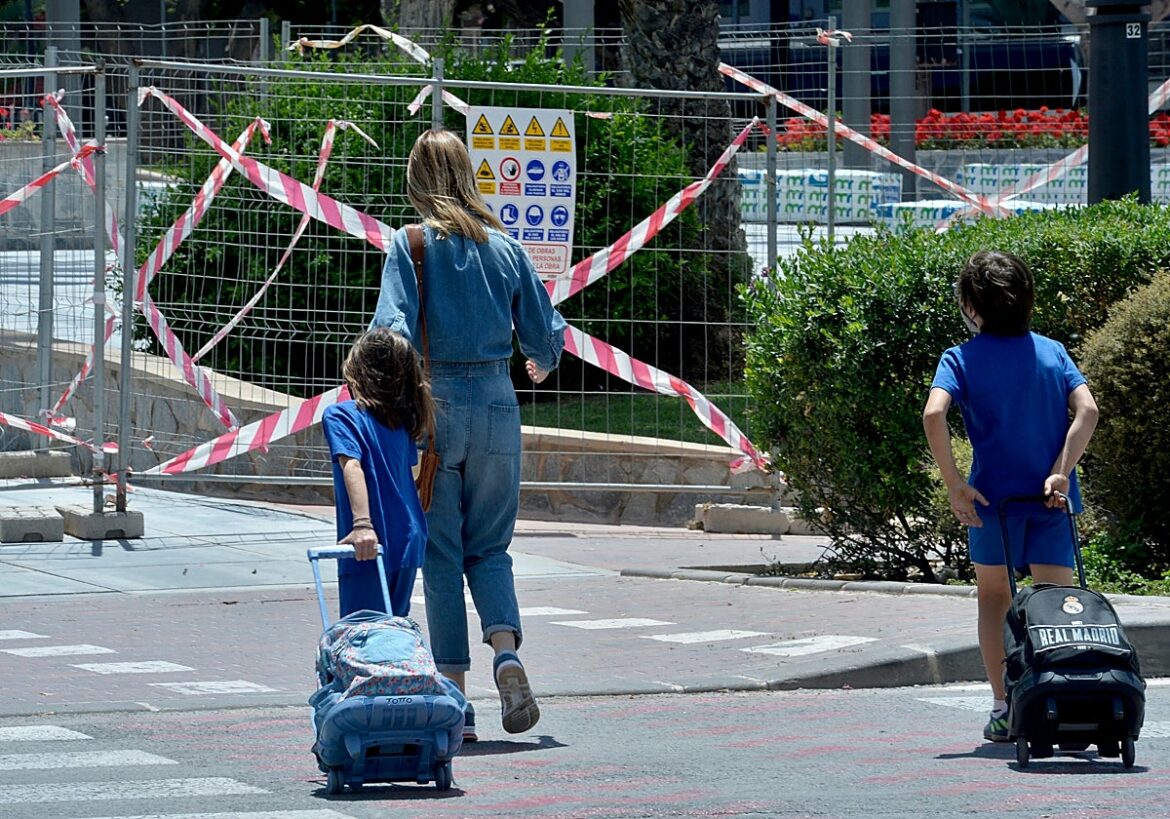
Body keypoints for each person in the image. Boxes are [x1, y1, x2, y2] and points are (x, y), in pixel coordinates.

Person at [370, 128, 566, 739]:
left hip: (437, 410)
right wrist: (543, 359)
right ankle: (507, 654)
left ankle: (457, 699)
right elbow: (544, 333)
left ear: (418, 180)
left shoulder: (411, 246)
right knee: (492, 548)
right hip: (498, 408)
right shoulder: (505, 249)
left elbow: (391, 331)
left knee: (442, 554)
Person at [922, 250, 1099, 743]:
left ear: (971, 308)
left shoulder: (960, 358)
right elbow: (1087, 411)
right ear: (1027, 299)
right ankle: (1057, 697)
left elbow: (934, 415)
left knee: (994, 599)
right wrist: (1061, 472)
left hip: (991, 502)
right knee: (1056, 603)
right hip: (1051, 499)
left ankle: (1004, 707)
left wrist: (955, 483)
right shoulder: (1053, 351)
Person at [322, 328, 435, 619]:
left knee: (363, 635)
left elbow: (353, 467)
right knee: (391, 633)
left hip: (371, 544)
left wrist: (362, 524)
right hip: (408, 538)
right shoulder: (401, 424)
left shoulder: (341, 416)